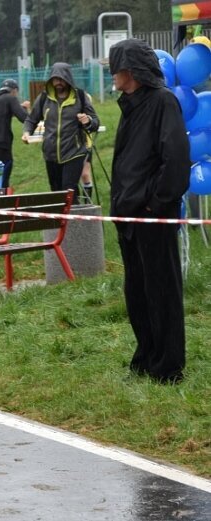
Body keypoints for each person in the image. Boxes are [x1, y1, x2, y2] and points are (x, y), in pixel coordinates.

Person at [109, 39, 190, 384]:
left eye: (116, 67)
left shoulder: (163, 102)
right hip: (128, 216)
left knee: (162, 290)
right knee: (138, 290)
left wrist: (155, 202)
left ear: (132, 71)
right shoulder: (130, 105)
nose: (112, 74)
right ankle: (146, 355)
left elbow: (175, 159)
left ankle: (168, 365)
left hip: (152, 215)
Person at [22, 62, 100, 203]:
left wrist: (87, 120)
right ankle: (65, 222)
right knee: (56, 193)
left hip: (74, 153)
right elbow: (31, 119)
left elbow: (95, 122)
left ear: (68, 79)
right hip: (50, 154)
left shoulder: (80, 97)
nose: (58, 82)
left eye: (61, 79)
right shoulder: (45, 97)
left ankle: (75, 222)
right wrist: (27, 132)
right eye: (55, 79)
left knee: (68, 190)